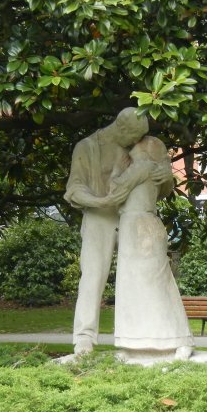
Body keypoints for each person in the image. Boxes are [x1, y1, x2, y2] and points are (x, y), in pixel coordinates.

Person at [64, 108, 171, 356]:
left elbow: (160, 189)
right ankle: (84, 339)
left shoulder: (142, 145)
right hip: (99, 217)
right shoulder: (87, 147)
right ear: (120, 127)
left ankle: (142, 337)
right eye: (134, 136)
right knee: (93, 276)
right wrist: (100, 201)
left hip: (133, 217)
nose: (137, 141)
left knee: (142, 275)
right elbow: (74, 189)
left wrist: (166, 177)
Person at [99, 136, 194, 360]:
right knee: (135, 286)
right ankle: (135, 343)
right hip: (137, 227)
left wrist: (117, 170)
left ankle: (178, 339)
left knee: (154, 285)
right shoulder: (150, 169)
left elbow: (115, 192)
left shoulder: (141, 167)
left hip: (139, 227)